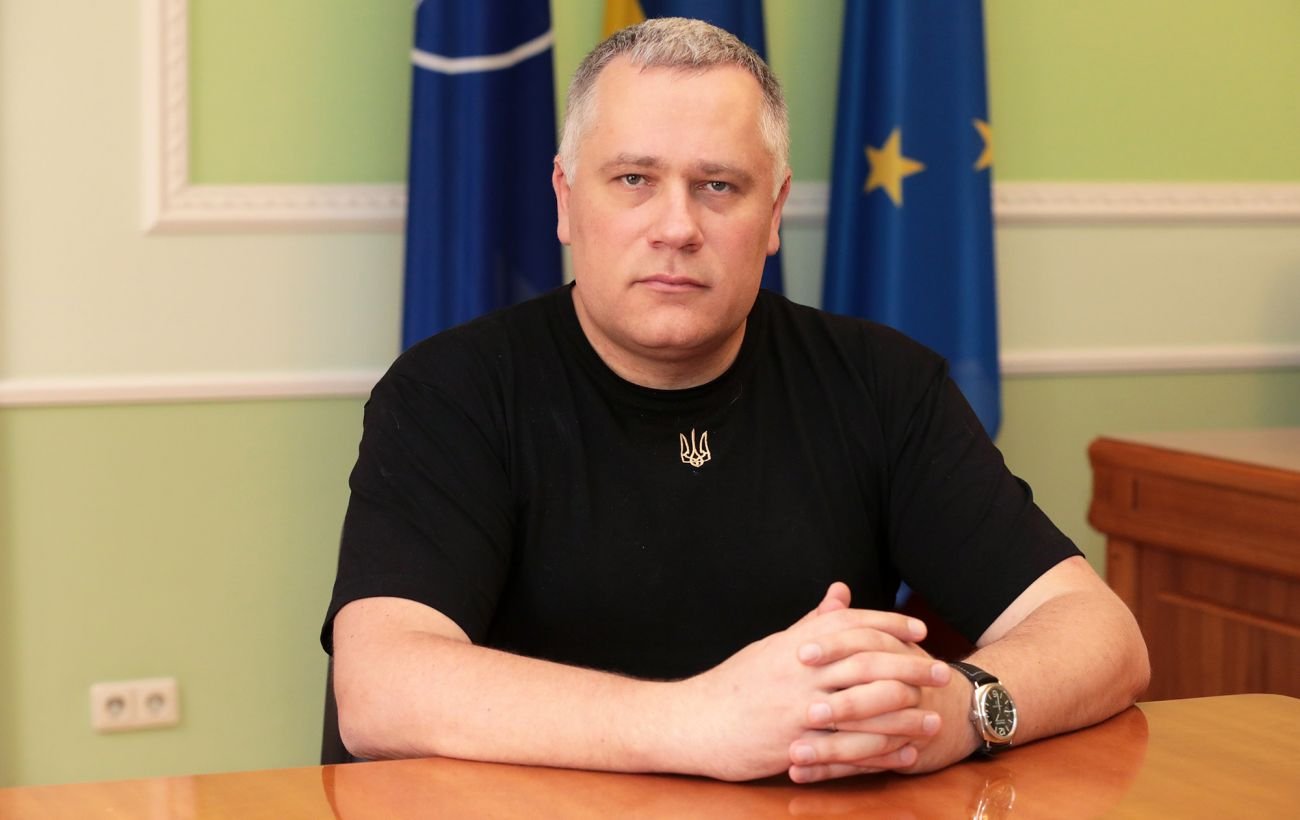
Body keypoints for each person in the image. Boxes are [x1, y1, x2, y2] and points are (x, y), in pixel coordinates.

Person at [323, 18, 1148, 783]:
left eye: (718, 186)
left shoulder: (881, 383)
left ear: (775, 212)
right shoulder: (449, 391)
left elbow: (1102, 634)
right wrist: (697, 722)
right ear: (567, 200)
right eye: (634, 179)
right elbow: (380, 688)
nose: (677, 226)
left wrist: (961, 710)